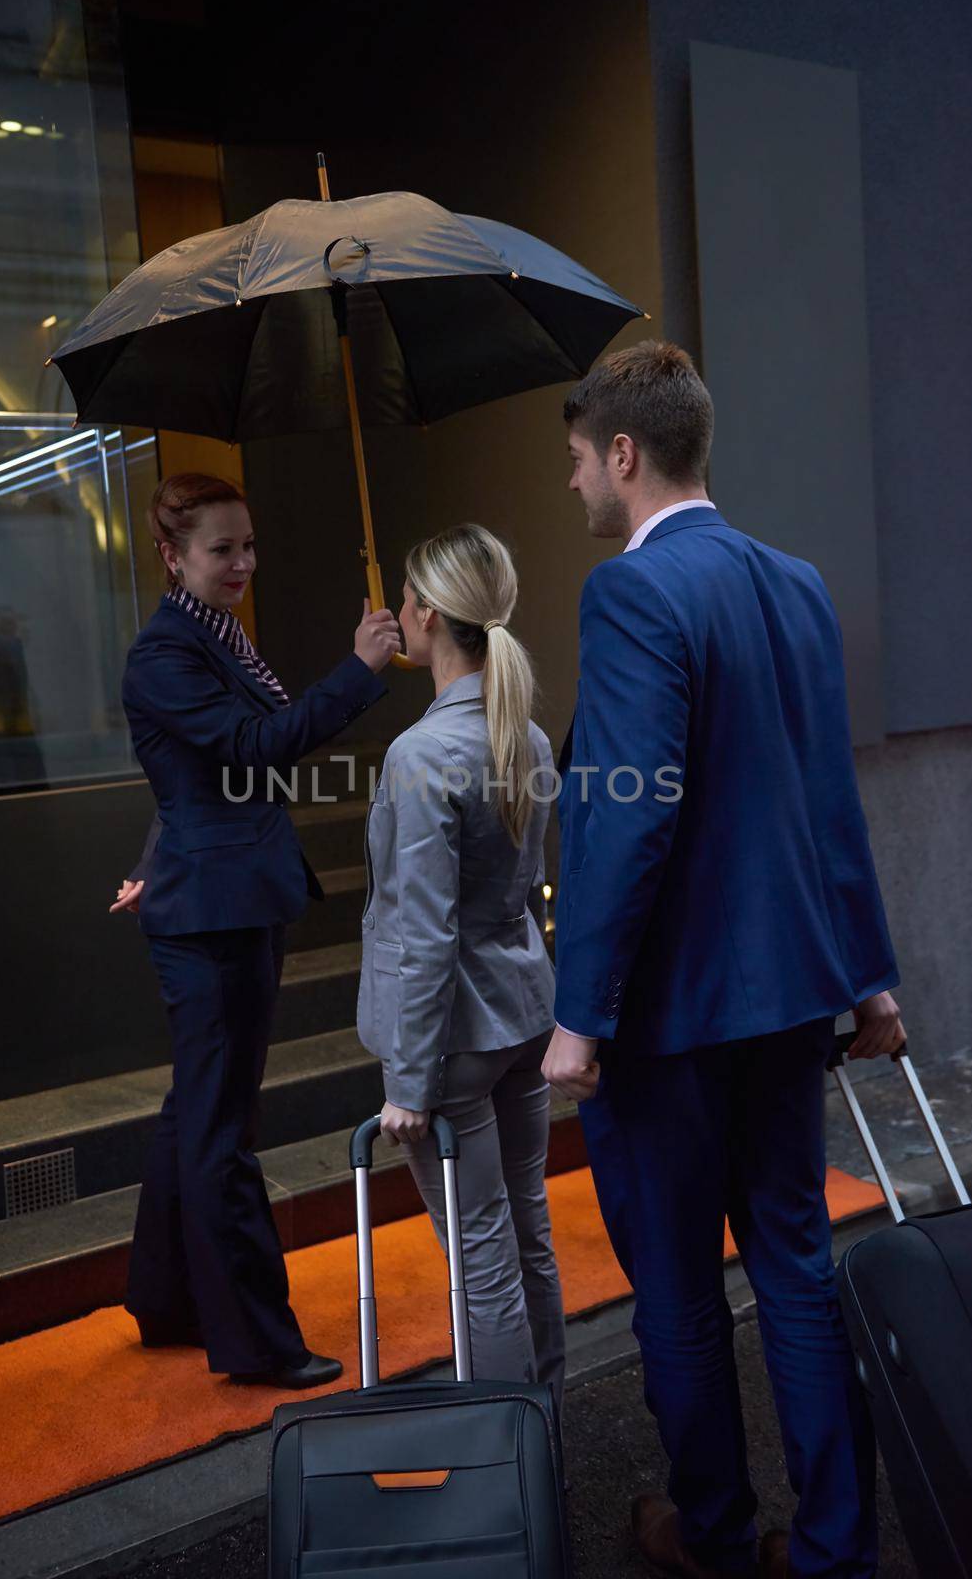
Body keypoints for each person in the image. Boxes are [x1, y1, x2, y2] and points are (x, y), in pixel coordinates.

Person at [542, 343, 904, 1579]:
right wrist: (870, 977)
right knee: (798, 1268)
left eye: (580, 459)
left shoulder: (629, 594)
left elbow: (626, 815)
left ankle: (711, 1538)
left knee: (683, 1290)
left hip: (671, 1020)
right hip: (793, 998)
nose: (576, 483)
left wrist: (580, 1015)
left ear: (626, 454)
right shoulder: (795, 581)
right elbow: (824, 799)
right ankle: (837, 1550)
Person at [111, 472, 399, 1386]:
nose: (242, 563)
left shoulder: (214, 637)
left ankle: (166, 1303)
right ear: (171, 555)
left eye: (247, 544)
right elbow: (249, 750)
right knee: (218, 1130)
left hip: (227, 896)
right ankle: (255, 1344)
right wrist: (359, 671)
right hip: (211, 914)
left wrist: (157, 848)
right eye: (220, 549)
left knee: (196, 1115)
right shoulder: (166, 654)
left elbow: (202, 775)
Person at [357, 523, 567, 1408]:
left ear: (431, 614)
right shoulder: (528, 735)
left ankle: (504, 1454)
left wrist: (408, 1079)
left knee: (482, 1252)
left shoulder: (421, 754)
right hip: (523, 1014)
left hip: (453, 1042)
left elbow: (422, 932)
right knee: (528, 1228)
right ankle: (542, 1423)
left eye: (405, 598)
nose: (398, 612)